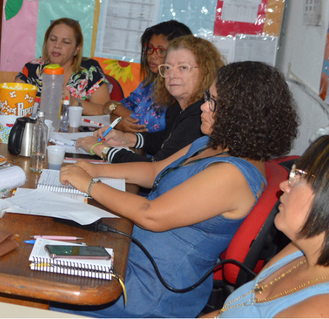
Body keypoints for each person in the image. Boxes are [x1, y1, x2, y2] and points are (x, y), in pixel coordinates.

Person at [56, 61, 298, 318]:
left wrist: (90, 184)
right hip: (131, 255)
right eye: (208, 97)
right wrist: (95, 170)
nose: (204, 107)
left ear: (242, 115)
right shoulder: (210, 143)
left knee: (43, 286)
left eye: (214, 103)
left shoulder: (233, 175)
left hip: (150, 289)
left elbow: (151, 214)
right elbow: (154, 171)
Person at [203, 135, 329, 318]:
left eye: (299, 178)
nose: (284, 185)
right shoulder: (298, 249)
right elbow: (230, 311)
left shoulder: (317, 311)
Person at [77, 35, 224, 163]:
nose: (172, 74)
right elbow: (165, 141)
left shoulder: (200, 116)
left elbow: (156, 167)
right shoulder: (178, 107)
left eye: (183, 68)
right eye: (167, 67)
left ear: (205, 72)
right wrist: (127, 138)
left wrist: (101, 149)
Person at [103, 20, 192, 133]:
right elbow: (126, 104)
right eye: (150, 48)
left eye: (161, 51)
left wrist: (115, 110)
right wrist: (116, 118)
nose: (152, 56)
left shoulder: (176, 89)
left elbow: (144, 125)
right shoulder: (150, 84)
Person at [16, 17, 110, 115]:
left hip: (77, 130)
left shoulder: (90, 70)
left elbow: (105, 111)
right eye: (53, 39)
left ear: (77, 48)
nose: (57, 45)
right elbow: (14, 104)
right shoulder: (32, 69)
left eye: (65, 42)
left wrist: (73, 102)